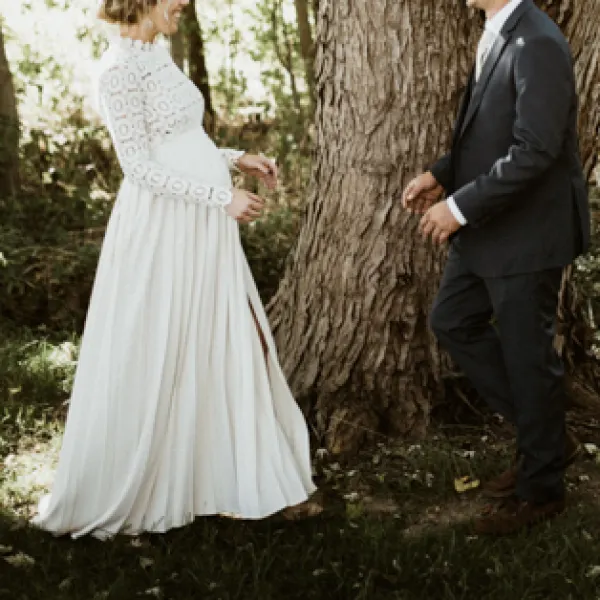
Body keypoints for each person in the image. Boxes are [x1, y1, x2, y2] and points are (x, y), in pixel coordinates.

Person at [32, 0, 319, 540]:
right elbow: (139, 166)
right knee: (163, 340)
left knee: (214, 336)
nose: (184, 3)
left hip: (202, 220)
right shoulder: (116, 70)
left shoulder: (157, 54)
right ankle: (156, 476)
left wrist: (236, 158)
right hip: (164, 228)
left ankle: (224, 476)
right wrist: (220, 196)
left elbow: (182, 139)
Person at [402, 0, 590, 535]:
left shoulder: (538, 42)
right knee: (452, 320)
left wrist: (457, 208)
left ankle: (542, 491)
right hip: (489, 223)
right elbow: (487, 130)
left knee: (529, 357)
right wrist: (441, 175)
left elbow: (535, 149)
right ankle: (547, 441)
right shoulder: (496, 31)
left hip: (528, 231)